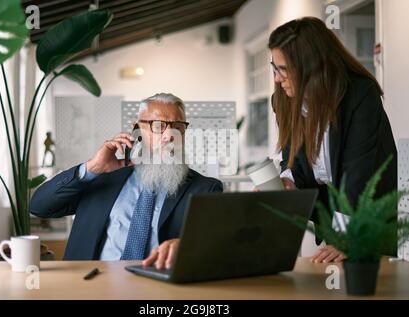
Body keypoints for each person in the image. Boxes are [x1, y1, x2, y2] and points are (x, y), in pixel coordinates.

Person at [30, 93, 223, 269]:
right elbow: (40, 206)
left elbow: (215, 244)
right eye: (157, 126)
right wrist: (92, 168)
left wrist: (189, 245)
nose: (168, 136)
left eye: (178, 127)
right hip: (88, 284)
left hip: (159, 288)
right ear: (137, 128)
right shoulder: (102, 176)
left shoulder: (204, 188)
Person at [267, 17, 397, 263]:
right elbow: (292, 157)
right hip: (334, 222)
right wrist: (288, 181)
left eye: (282, 69)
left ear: (310, 66)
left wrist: (348, 237)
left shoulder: (360, 95)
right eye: (274, 67)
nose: (276, 78)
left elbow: (359, 172)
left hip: (371, 222)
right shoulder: (283, 99)